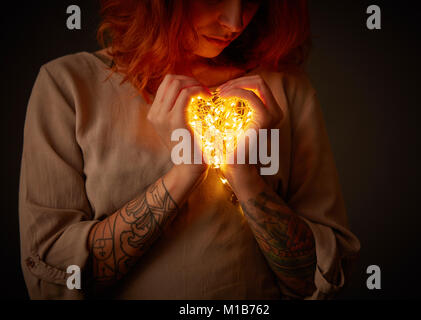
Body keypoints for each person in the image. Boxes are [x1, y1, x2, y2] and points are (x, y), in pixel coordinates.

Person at [19, 0, 360, 300]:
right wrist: (186, 170)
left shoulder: (286, 89)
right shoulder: (68, 86)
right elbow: (55, 279)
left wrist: (242, 174)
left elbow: (317, 279)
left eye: (253, 0)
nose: (235, 21)